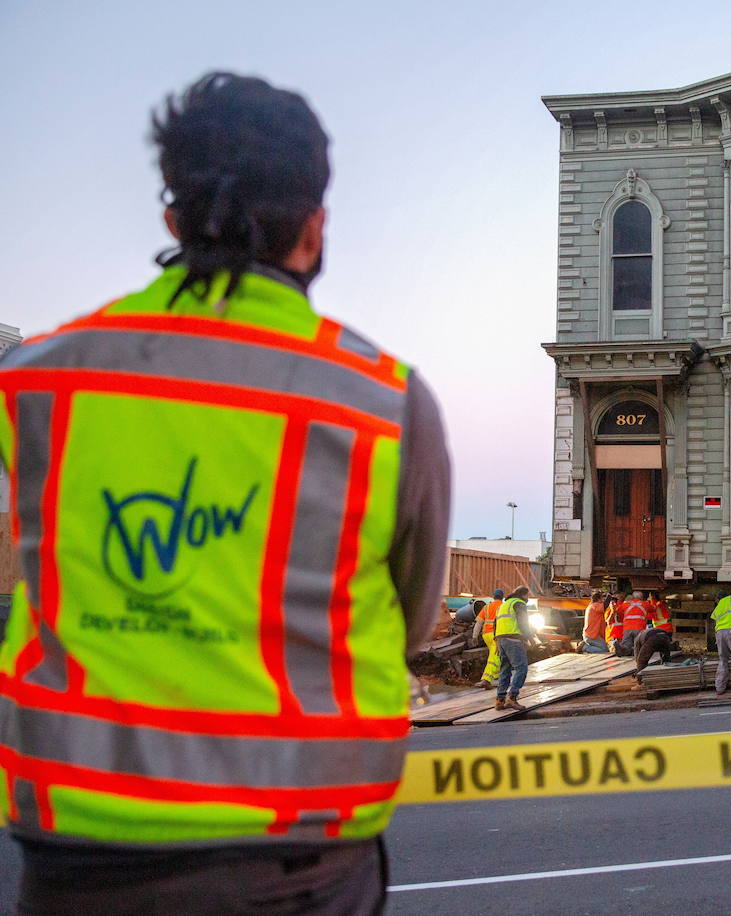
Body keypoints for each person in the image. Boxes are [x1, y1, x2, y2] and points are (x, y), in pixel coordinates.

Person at [0, 72, 450, 912]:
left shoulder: (37, 381)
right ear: (314, 229)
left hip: (76, 854)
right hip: (296, 859)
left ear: (172, 218)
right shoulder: (383, 405)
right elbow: (412, 618)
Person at [494, 586, 540, 711]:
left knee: (505, 670)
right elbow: (523, 622)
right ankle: (512, 697)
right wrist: (530, 639)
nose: (528, 598)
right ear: (524, 594)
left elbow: (495, 623)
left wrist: (497, 641)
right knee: (522, 668)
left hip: (501, 639)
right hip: (513, 639)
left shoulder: (504, 605)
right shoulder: (519, 603)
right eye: (528, 596)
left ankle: (500, 700)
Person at [473, 587, 505, 686]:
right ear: (502, 597)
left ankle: (496, 676)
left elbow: (478, 623)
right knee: (494, 656)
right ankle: (486, 679)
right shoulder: (503, 606)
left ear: (493, 596)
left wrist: (474, 636)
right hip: (496, 635)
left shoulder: (486, 607)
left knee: (496, 655)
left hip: (486, 635)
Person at [620, 589, 650, 654]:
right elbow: (653, 608)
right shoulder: (645, 604)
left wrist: (621, 600)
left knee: (626, 644)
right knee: (639, 645)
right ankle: (636, 652)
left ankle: (624, 650)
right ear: (641, 597)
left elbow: (619, 609)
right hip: (639, 628)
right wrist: (651, 599)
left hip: (627, 628)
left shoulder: (626, 604)